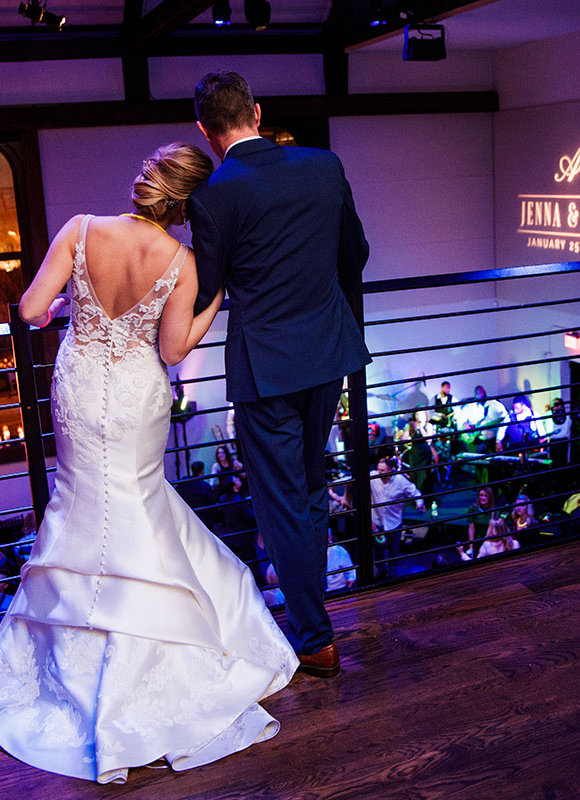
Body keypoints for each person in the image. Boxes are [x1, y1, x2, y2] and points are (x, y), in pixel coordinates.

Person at [0, 143, 297, 784]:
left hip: (79, 384)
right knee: (138, 502)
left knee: (79, 500)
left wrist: (66, 312)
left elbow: (29, 310)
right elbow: (172, 348)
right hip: (137, 391)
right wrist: (213, 302)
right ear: (188, 204)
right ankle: (152, 640)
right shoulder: (184, 262)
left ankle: (74, 645)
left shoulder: (80, 230)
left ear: (144, 182)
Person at [189, 70, 370, 678]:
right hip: (329, 352)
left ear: (205, 131)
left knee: (281, 503)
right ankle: (314, 620)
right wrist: (337, 318)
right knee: (312, 487)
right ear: (257, 113)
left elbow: (207, 286)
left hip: (266, 366)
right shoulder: (323, 165)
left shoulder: (213, 195)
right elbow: (356, 252)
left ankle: (316, 639)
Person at [368, 457, 424, 579]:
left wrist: (419, 504)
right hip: (377, 522)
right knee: (378, 548)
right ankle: (381, 570)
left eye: (382, 470)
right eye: (378, 470)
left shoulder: (400, 481)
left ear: (390, 470)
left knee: (394, 549)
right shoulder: (373, 477)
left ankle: (393, 571)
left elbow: (415, 492)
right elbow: (353, 479)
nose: (379, 473)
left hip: (393, 522)